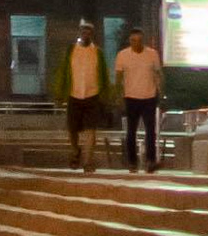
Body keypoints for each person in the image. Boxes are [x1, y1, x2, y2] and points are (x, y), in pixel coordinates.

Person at [114, 26, 165, 174]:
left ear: (143, 40)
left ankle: (150, 161)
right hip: (130, 97)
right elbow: (118, 78)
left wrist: (161, 93)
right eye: (133, 40)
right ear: (129, 41)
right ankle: (132, 162)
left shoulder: (152, 54)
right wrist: (118, 96)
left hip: (149, 97)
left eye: (139, 40)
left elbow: (158, 75)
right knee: (131, 131)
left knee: (151, 131)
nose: (136, 43)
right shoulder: (122, 55)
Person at [62, 21, 109, 172]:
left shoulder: (97, 52)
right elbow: (63, 72)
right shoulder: (71, 50)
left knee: (90, 130)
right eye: (83, 31)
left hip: (92, 95)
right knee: (72, 129)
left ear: (92, 34)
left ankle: (88, 162)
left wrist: (106, 94)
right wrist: (59, 93)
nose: (86, 34)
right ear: (79, 32)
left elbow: (104, 75)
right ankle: (75, 152)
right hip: (74, 94)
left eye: (89, 32)